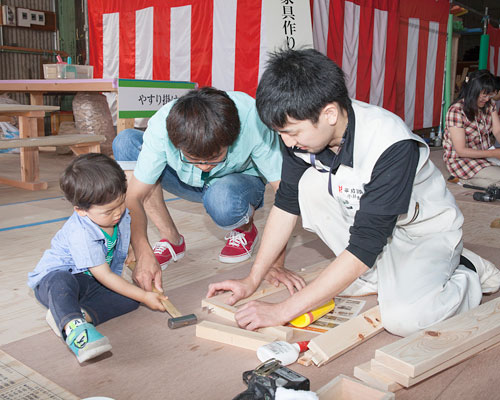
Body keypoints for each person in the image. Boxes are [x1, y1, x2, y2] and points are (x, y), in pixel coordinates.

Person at [207, 48, 500, 337]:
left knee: (405, 319)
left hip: (424, 232)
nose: (287, 142)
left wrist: (282, 311)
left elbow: (364, 244)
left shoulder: (389, 142)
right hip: (374, 227)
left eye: (293, 132)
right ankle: (383, 274)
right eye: (281, 133)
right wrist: (252, 278)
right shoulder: (303, 133)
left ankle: (469, 271)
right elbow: (285, 206)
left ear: (330, 114)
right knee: (307, 187)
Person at [113, 87, 291, 293]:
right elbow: (134, 196)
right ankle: (172, 239)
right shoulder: (162, 126)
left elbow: (284, 193)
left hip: (236, 185)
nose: (205, 166)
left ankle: (246, 229)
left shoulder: (253, 120)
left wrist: (276, 264)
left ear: (232, 139)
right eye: (193, 159)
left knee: (222, 199)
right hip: (186, 181)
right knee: (125, 142)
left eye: (215, 158)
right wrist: (142, 249)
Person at [27, 154, 167, 363]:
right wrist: (146, 296)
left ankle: (74, 314)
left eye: (120, 203)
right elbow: (104, 275)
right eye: (108, 211)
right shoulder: (80, 233)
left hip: (89, 282)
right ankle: (74, 329)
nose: (118, 213)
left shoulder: (118, 214)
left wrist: (130, 249)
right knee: (62, 281)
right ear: (80, 211)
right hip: (55, 283)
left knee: (130, 298)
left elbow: (119, 236)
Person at [443, 70, 500, 187]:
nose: (488, 99)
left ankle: (472, 181)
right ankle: (463, 179)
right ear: (473, 92)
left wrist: (493, 153)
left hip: (485, 156)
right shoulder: (456, 111)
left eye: (490, 95)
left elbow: (497, 131)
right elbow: (461, 150)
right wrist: (494, 153)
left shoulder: (490, 105)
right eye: (484, 95)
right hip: (462, 161)